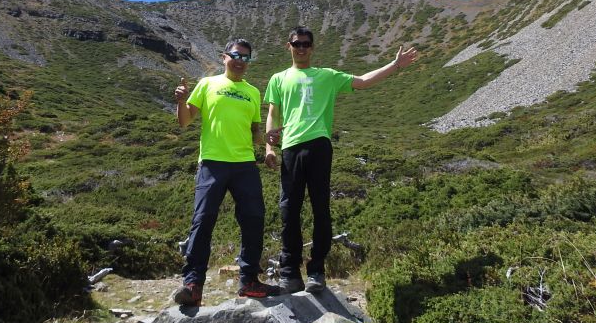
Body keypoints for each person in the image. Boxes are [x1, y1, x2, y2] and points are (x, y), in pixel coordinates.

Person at [264, 26, 418, 294]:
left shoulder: (328, 76)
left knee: (321, 208)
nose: (301, 48)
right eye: (296, 43)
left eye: (306, 44)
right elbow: (273, 114)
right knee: (289, 209)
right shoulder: (278, 79)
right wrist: (269, 147)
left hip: (319, 146)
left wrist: (395, 65)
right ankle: (289, 271)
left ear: (312, 48)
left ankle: (317, 271)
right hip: (290, 148)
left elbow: (363, 81)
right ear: (288, 46)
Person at [171, 38, 281, 307]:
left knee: (253, 220)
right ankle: (193, 284)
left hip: (245, 164)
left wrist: (268, 142)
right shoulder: (207, 85)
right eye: (236, 55)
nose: (241, 61)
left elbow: (254, 132)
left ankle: (249, 281)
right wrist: (181, 101)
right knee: (203, 220)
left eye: (246, 57)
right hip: (212, 162)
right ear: (224, 57)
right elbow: (185, 121)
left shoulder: (253, 93)